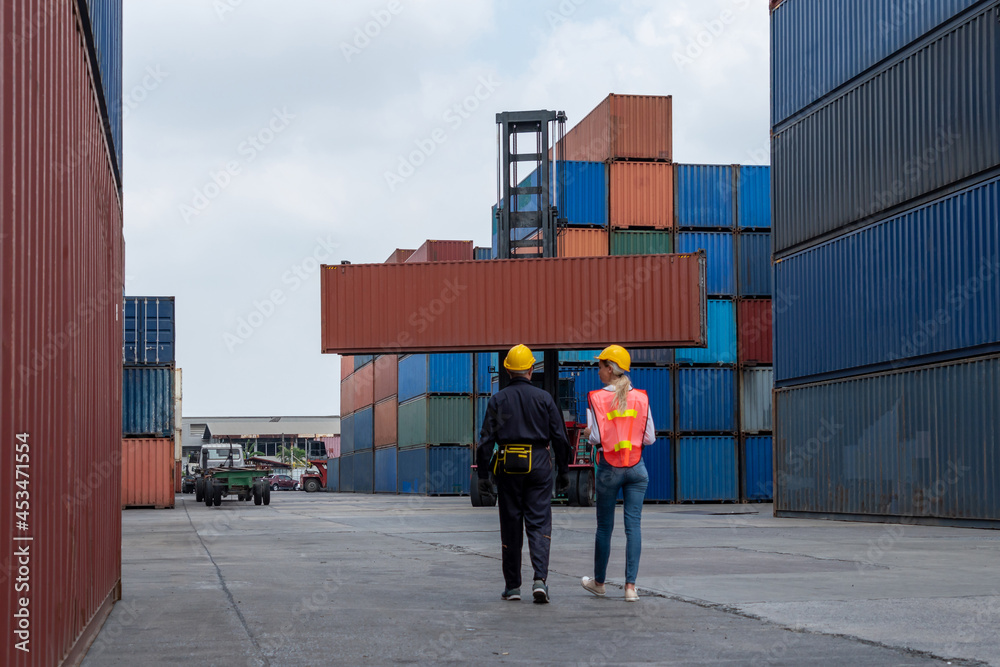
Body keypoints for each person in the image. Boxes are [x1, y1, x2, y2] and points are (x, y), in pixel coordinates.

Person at [476, 344, 571, 603]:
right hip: (539, 463)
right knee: (538, 523)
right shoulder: (544, 398)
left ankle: (513, 587)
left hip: (508, 465)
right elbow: (560, 438)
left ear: (507, 370)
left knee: (511, 524)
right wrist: (564, 470)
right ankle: (540, 580)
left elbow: (486, 440)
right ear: (531, 369)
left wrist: (483, 475)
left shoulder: (498, 400)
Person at [580, 345, 655, 602]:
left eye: (600, 365)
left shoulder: (596, 398)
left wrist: (589, 435)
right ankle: (630, 588)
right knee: (633, 527)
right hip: (636, 468)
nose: (597, 369)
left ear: (610, 369)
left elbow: (598, 437)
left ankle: (599, 583)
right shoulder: (642, 398)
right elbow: (650, 438)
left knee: (604, 528)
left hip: (610, 468)